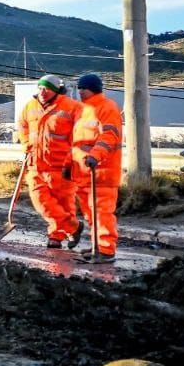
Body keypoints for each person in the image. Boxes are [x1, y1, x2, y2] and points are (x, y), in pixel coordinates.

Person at [17, 74, 84, 249]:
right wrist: (26, 145)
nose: (42, 92)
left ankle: (56, 237)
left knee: (64, 203)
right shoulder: (30, 106)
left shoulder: (72, 107)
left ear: (56, 91)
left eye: (46, 89)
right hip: (36, 165)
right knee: (40, 201)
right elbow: (22, 125)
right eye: (40, 88)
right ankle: (73, 227)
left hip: (61, 166)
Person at [72, 73, 123, 263]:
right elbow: (76, 143)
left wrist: (95, 155)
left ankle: (107, 250)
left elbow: (110, 136)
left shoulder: (107, 107)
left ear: (93, 88)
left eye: (83, 87)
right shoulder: (82, 110)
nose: (80, 91)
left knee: (102, 212)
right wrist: (70, 165)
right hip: (85, 173)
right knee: (90, 212)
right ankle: (97, 245)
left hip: (102, 171)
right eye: (79, 88)